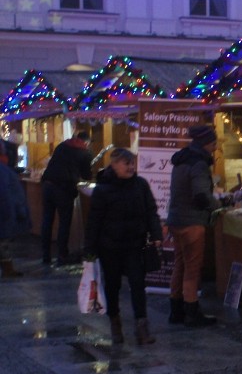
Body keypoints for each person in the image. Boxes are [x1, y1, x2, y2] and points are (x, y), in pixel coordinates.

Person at [84, 149, 161, 345]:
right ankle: (115, 322)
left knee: (137, 284)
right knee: (112, 286)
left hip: (134, 245)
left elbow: (151, 210)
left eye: (132, 163)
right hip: (109, 246)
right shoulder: (103, 189)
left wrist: (156, 234)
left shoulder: (140, 185)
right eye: (126, 163)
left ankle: (141, 327)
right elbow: (94, 221)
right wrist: (90, 249)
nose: (130, 167)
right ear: (114, 165)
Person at [166, 124, 221, 327]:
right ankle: (191, 311)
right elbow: (200, 195)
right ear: (205, 143)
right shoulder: (198, 164)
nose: (215, 148)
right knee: (192, 268)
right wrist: (218, 204)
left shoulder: (181, 161)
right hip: (192, 222)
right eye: (214, 143)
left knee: (180, 264)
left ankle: (176, 310)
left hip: (176, 219)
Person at [41, 131, 93, 265]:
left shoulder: (62, 146)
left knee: (47, 220)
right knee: (64, 223)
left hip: (47, 185)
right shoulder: (84, 153)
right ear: (86, 142)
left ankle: (45, 256)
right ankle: (62, 255)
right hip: (63, 189)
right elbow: (87, 175)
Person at [0, 161, 31, 277]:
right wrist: (21, 211)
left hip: (4, 212)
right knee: (3, 242)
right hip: (4, 212)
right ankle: (7, 269)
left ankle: (7, 269)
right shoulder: (5, 172)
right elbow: (14, 195)